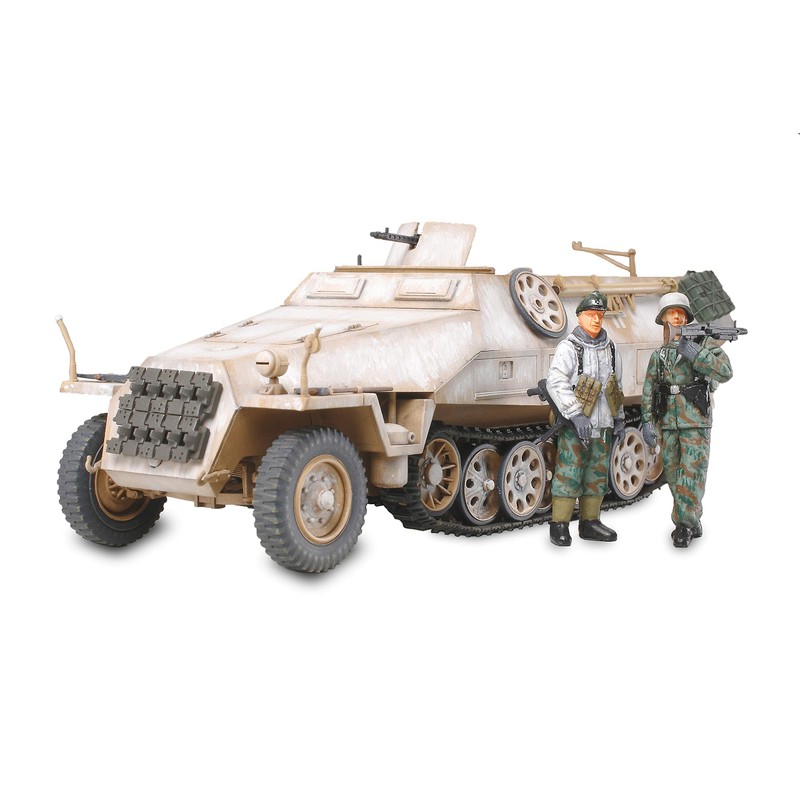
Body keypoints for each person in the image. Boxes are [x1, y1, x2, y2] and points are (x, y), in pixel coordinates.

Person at [640, 292, 733, 548]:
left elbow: (725, 372)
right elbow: (649, 389)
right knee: (673, 475)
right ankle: (691, 519)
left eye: (681, 313)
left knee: (692, 475)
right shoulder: (660, 354)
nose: (677, 317)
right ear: (664, 318)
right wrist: (648, 421)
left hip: (695, 420)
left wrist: (695, 353)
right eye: (672, 313)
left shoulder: (702, 343)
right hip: (668, 422)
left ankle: (684, 525)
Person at [546, 291, 625, 546]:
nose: (596, 319)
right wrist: (576, 414)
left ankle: (590, 522)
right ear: (579, 316)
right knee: (569, 471)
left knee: (596, 473)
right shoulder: (569, 348)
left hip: (603, 424)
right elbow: (556, 381)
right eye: (591, 315)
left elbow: (615, 385)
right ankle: (559, 524)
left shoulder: (611, 348)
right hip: (576, 426)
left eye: (600, 315)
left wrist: (619, 418)